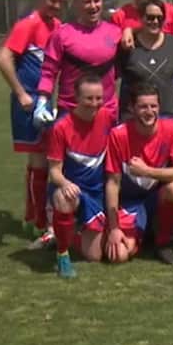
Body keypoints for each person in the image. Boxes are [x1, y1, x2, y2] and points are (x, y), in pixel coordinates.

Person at [0, 0, 65, 241]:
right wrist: (21, 93)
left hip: (48, 102)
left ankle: (35, 217)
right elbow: (2, 58)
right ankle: (38, 222)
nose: (56, 6)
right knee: (40, 162)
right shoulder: (29, 24)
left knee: (48, 160)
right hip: (30, 103)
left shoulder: (57, 26)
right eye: (52, 1)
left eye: (61, 2)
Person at [103, 85, 173, 265]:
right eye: (143, 107)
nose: (149, 112)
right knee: (118, 256)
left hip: (156, 197)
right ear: (131, 108)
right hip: (129, 202)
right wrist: (113, 228)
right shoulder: (118, 135)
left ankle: (163, 243)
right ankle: (144, 233)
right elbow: (113, 183)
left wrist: (147, 171)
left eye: (154, 106)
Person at [45, 75, 112, 278]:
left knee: (94, 256)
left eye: (99, 98)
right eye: (89, 98)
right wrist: (66, 183)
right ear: (76, 97)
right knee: (65, 198)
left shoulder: (108, 117)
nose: (95, 103)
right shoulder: (61, 127)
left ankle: (67, 234)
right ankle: (62, 254)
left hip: (97, 191)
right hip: (72, 188)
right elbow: (54, 171)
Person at [36, 0, 124, 124]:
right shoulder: (61, 35)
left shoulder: (115, 33)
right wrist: (42, 102)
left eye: (97, 1)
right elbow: (48, 72)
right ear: (76, 4)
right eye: (87, 2)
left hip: (107, 113)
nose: (93, 6)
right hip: (71, 112)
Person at [120, 0, 173, 118]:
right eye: (150, 17)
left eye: (159, 18)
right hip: (136, 120)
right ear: (141, 18)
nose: (155, 21)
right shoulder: (128, 45)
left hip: (169, 117)